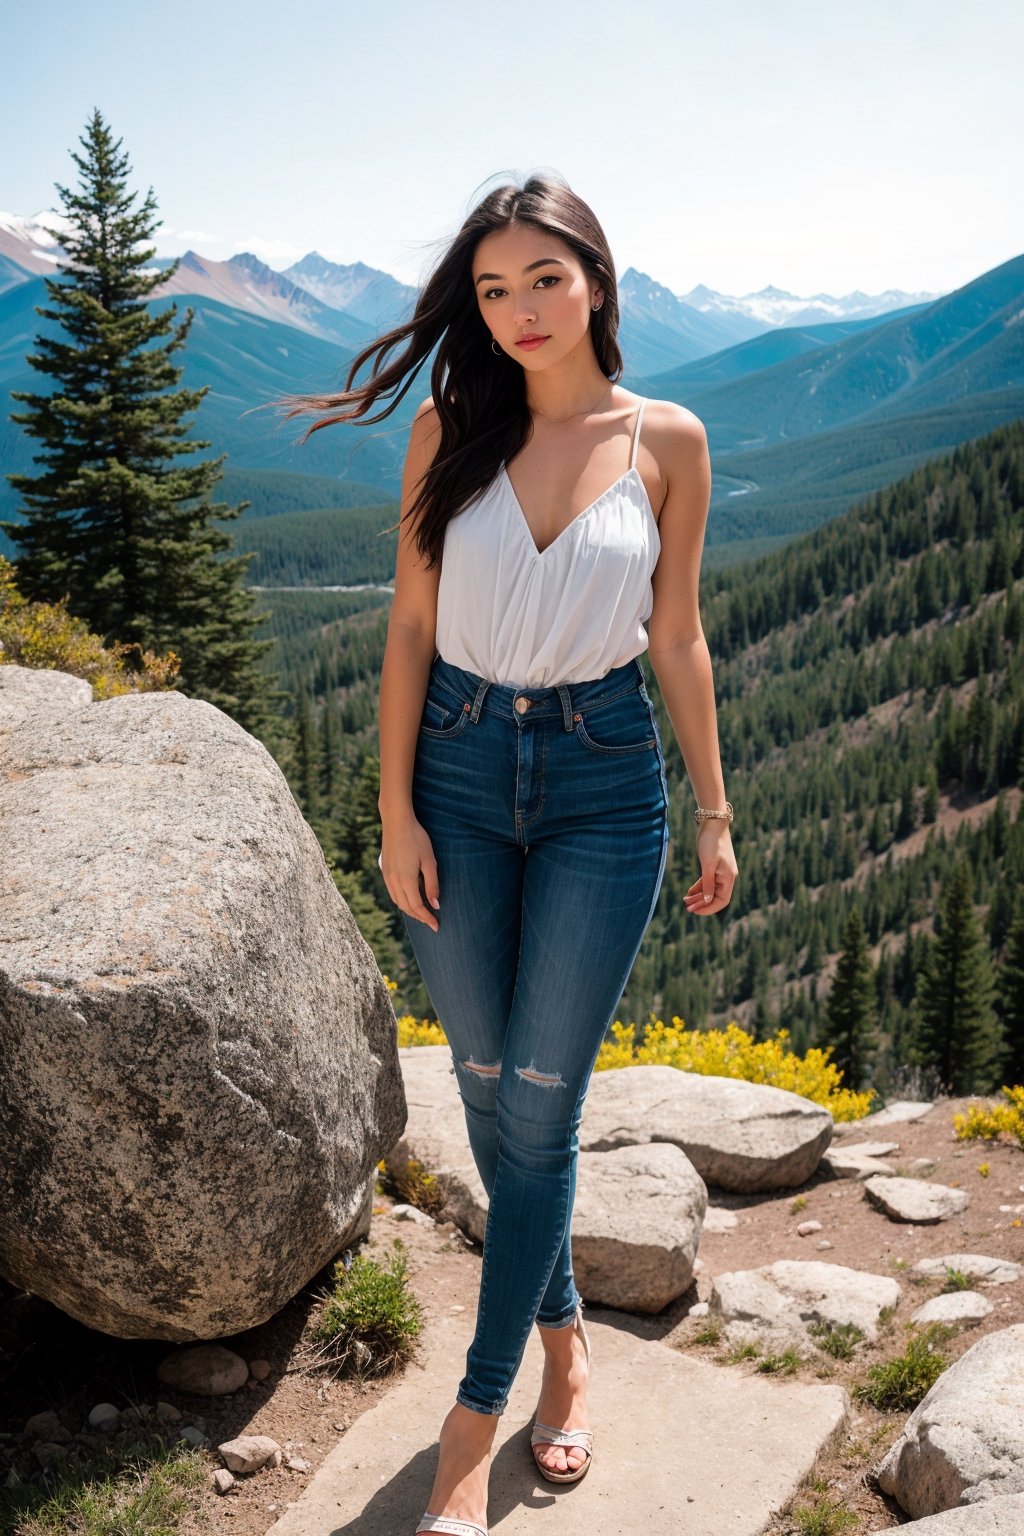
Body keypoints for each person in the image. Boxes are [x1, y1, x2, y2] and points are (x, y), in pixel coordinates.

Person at [276, 172, 737, 1536]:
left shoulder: (668, 439)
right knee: (489, 1097)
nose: (521, 310)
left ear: (597, 277)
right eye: (493, 289)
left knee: (537, 1104)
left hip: (605, 784)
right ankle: (571, 1342)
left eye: (544, 278)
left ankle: (474, 1422)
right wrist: (395, 809)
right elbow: (409, 630)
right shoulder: (450, 428)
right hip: (459, 776)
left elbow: (679, 636)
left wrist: (715, 809)